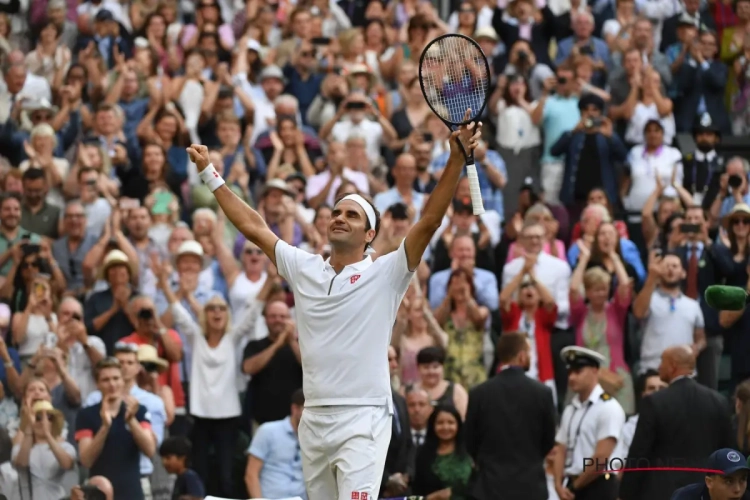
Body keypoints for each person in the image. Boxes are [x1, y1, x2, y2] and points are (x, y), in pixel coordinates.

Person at [185, 108, 482, 498]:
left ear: (370, 233)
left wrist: (455, 162)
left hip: (364, 418)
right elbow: (255, 226)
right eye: (336, 212)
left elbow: (427, 221)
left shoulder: (388, 272)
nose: (339, 218)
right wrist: (211, 174)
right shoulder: (303, 267)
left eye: (351, 215)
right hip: (313, 419)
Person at [620, 345, 734, 500]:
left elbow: (639, 454)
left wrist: (625, 494)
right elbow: (729, 452)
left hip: (662, 492)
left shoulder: (654, 402)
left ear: (672, 366)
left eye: (662, 362)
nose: (659, 367)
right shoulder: (718, 401)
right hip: (706, 491)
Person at [464, 332, 556, 500]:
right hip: (530, 488)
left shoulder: (479, 393)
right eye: (528, 352)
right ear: (521, 356)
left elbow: (470, 440)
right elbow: (548, 440)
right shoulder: (542, 393)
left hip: (489, 487)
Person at [552, 346, 625, 500]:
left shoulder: (608, 407)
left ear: (594, 371)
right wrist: (558, 484)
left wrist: (575, 486)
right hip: (572, 484)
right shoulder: (571, 409)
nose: (572, 377)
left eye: (578, 372)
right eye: (570, 372)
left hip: (598, 485)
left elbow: (602, 456)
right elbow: (561, 448)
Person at [670, 448, 750, 499]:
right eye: (728, 481)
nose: (737, 489)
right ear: (709, 482)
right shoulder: (685, 497)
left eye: (742, 480)